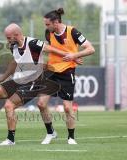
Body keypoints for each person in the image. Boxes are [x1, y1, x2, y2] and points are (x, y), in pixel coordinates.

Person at [0, 23, 71, 145]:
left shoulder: (33, 43)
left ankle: (10, 139)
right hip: (20, 80)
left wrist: (72, 56)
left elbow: (52, 49)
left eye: (8, 37)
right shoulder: (13, 46)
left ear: (16, 35)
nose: (7, 40)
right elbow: (15, 62)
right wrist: (4, 76)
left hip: (35, 81)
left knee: (9, 105)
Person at [37, 8, 95, 145]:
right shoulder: (49, 33)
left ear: (56, 22)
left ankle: (71, 138)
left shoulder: (73, 32)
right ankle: (50, 132)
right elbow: (53, 50)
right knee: (41, 104)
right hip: (51, 71)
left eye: (47, 24)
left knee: (67, 108)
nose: (46, 27)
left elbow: (91, 49)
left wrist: (75, 56)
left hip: (67, 72)